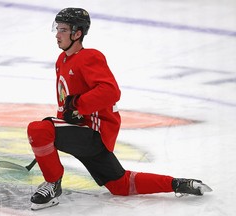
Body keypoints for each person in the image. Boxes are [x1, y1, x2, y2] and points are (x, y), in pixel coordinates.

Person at [27, 7, 212, 211]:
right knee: (121, 185)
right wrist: (53, 137)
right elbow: (67, 103)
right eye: (57, 29)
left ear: (77, 33)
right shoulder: (61, 61)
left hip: (95, 134)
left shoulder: (90, 56)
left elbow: (110, 91)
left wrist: (75, 107)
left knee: (38, 128)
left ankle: (53, 184)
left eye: (63, 29)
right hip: (82, 131)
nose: (57, 34)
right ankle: (179, 183)